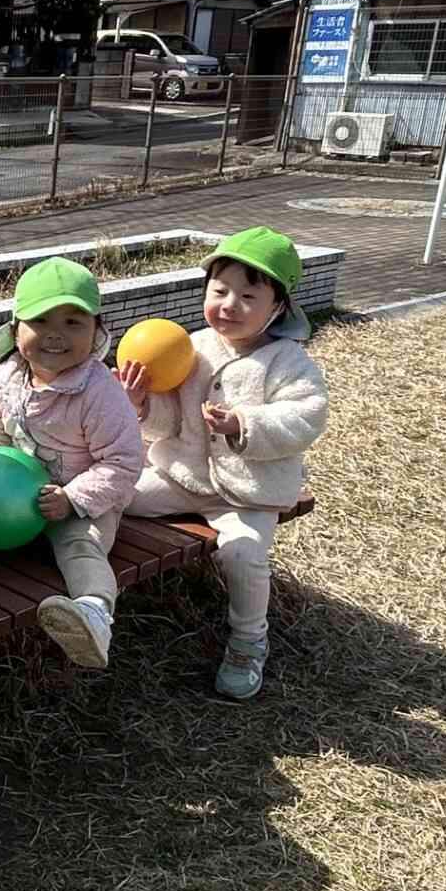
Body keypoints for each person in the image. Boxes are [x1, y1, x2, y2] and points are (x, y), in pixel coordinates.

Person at [118, 227, 329, 701]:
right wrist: (141, 403)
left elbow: (307, 416)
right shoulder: (192, 348)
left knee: (244, 553)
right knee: (118, 496)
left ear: (279, 307)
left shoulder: (288, 361)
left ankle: (248, 640)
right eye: (220, 291)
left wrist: (242, 424)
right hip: (184, 477)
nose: (229, 305)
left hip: (249, 492)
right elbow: (167, 422)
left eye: (248, 295)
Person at [0, 256, 142, 669]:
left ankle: (95, 612)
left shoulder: (98, 392)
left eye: (73, 323)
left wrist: (73, 499)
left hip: (78, 506)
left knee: (81, 547)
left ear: (97, 332)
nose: (55, 335)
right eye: (40, 321)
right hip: (10, 506)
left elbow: (123, 460)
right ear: (14, 329)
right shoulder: (7, 377)